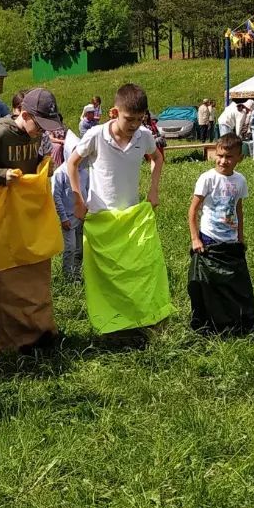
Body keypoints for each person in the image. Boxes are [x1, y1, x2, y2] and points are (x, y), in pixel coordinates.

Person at [0, 88, 63, 354]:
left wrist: (42, 163)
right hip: (7, 217)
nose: (42, 131)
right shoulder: (1, 134)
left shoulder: (33, 133)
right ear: (25, 114)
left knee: (36, 274)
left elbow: (31, 162)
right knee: (9, 281)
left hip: (29, 218)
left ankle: (41, 332)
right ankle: (16, 342)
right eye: (40, 125)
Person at [66, 84, 172, 335]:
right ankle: (112, 322)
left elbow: (157, 158)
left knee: (138, 268)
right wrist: (78, 198)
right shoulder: (95, 136)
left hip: (132, 216)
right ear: (114, 112)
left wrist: (154, 188)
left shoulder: (144, 136)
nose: (134, 124)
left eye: (139, 118)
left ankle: (142, 317)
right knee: (105, 273)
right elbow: (72, 163)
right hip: (102, 217)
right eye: (129, 119)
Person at [187, 133, 254, 333]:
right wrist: (195, 238)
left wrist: (240, 238)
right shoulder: (207, 178)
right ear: (214, 154)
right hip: (209, 238)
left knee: (233, 284)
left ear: (239, 158)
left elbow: (238, 210)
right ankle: (210, 321)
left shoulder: (240, 180)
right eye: (220, 155)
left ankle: (233, 320)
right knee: (210, 283)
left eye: (229, 157)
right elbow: (192, 211)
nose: (223, 161)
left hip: (231, 240)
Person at [53, 150, 88, 279]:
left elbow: (88, 191)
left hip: (82, 217)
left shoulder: (84, 172)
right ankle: (67, 276)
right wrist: (63, 217)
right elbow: (56, 196)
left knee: (81, 248)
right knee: (70, 247)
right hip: (68, 217)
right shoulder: (60, 173)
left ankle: (76, 275)